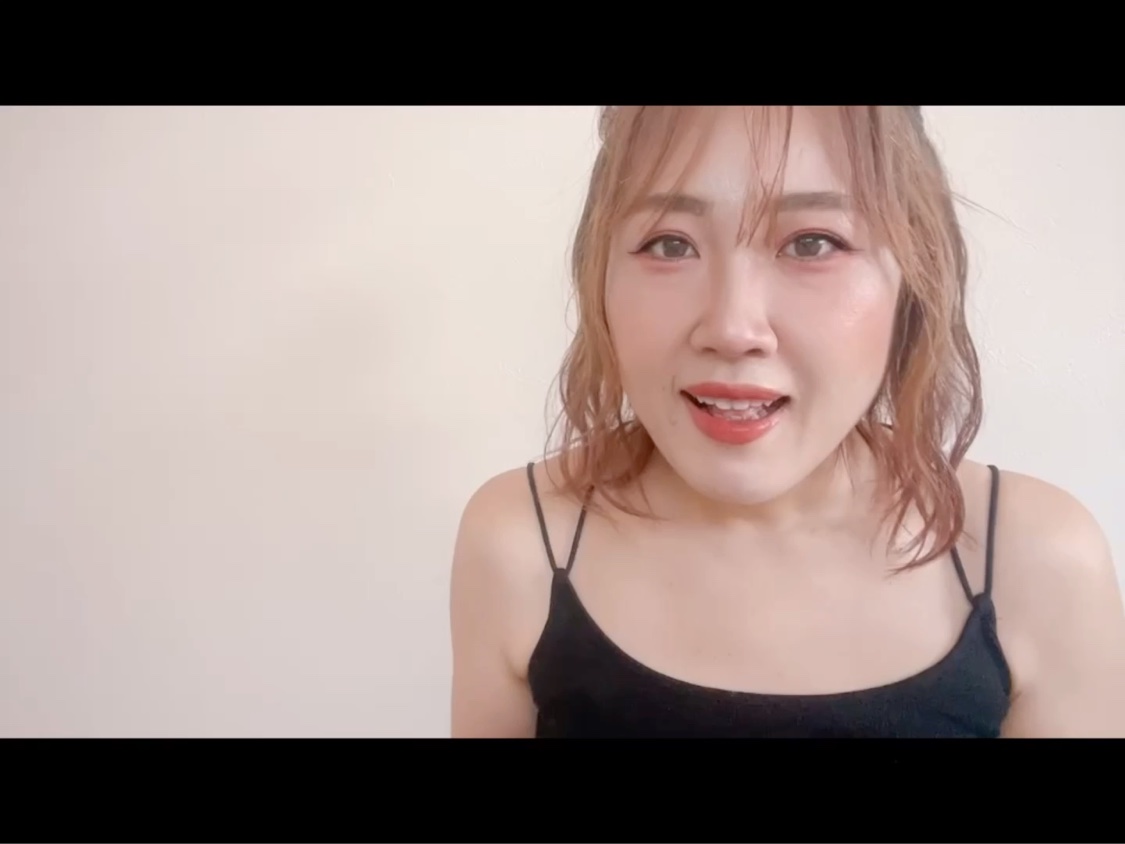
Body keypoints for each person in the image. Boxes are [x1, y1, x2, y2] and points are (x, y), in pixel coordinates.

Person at [448, 106, 1125, 737]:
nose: (732, 327)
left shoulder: (1036, 561)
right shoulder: (521, 540)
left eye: (811, 243)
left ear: (912, 276)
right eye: (670, 244)